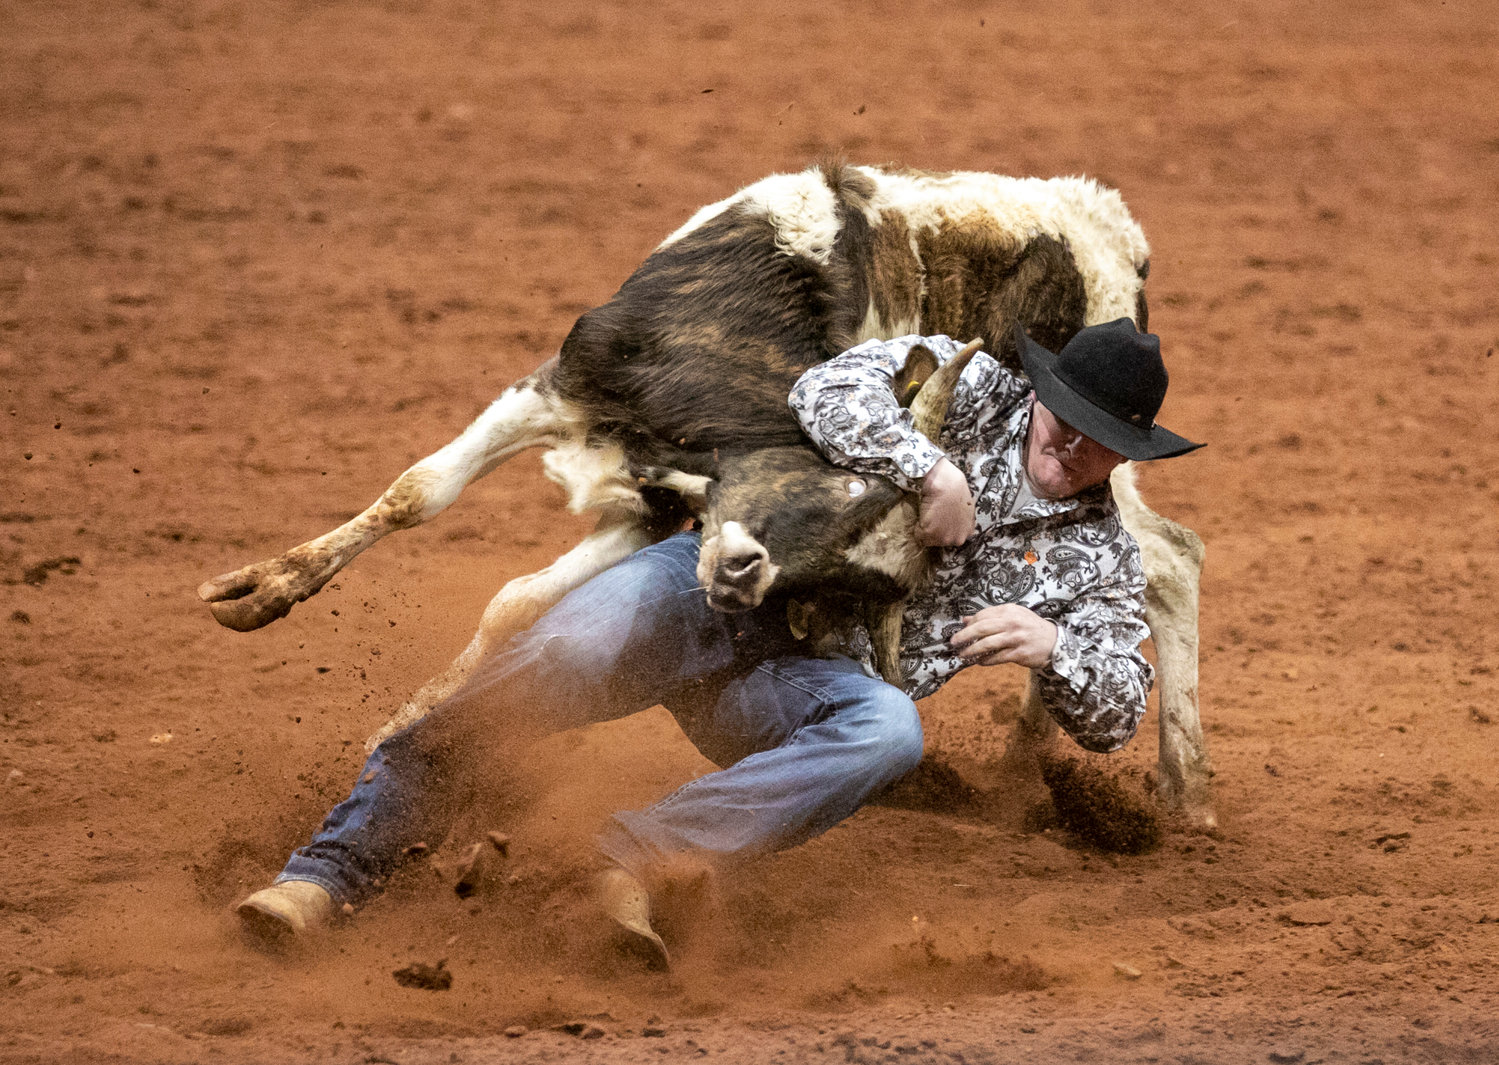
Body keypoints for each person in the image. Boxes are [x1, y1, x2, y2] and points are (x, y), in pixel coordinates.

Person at [235, 317, 1202, 967]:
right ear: (1041, 390)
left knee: (888, 731)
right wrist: (925, 467)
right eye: (1063, 417)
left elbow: (1117, 709)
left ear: (1128, 452)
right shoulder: (962, 378)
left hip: (801, 685)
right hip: (714, 584)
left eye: (1097, 438)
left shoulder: (1097, 557)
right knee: (563, 653)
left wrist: (1052, 645)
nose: (1070, 445)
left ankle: (632, 857)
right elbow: (826, 390)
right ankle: (324, 875)